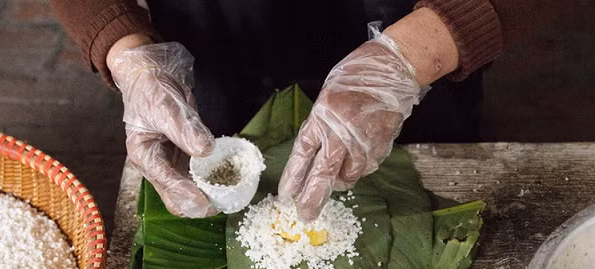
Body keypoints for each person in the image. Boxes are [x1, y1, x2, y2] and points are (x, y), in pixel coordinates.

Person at [50, 0, 549, 220]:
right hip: (216, 38)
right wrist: (124, 47)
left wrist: (416, 54)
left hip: (420, 37)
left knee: (428, 186)